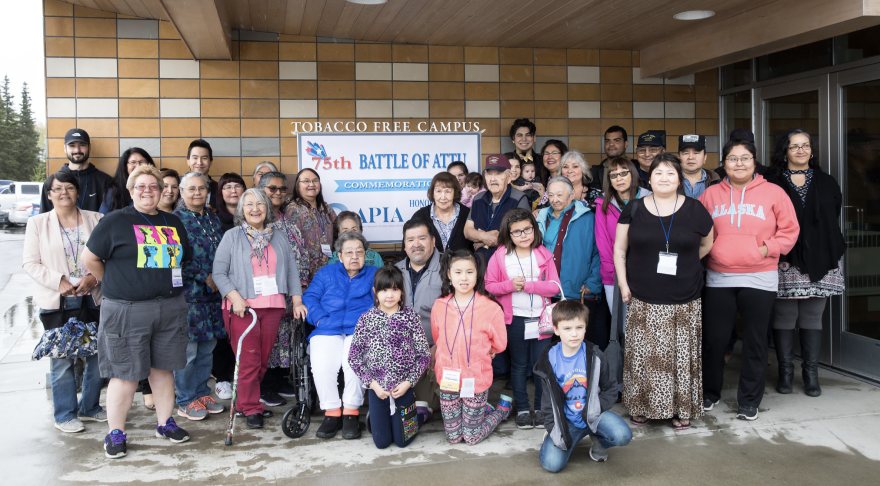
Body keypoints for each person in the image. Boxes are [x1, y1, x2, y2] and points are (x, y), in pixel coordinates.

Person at [81, 165, 193, 459]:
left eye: (153, 186)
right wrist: (112, 281)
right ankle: (115, 432)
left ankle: (165, 423)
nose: (147, 191)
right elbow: (90, 257)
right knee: (125, 373)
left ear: (162, 191)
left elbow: (183, 260)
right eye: (140, 186)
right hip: (127, 310)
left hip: (169, 307)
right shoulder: (115, 221)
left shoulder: (173, 222)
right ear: (130, 191)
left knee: (163, 369)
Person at [699, 140, 800, 421]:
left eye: (745, 158)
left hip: (759, 277)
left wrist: (766, 249)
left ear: (755, 162)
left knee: (755, 341)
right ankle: (710, 393)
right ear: (724, 163)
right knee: (715, 340)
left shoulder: (774, 193)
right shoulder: (710, 195)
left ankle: (749, 400)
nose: (739, 164)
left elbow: (790, 229)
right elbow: (696, 229)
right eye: (732, 159)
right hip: (719, 277)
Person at [613, 154, 714, 429]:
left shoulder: (695, 209)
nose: (664, 178)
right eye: (658, 173)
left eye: (670, 173)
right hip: (642, 296)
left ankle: (682, 408)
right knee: (645, 356)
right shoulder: (633, 208)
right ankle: (642, 406)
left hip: (684, 297)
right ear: (650, 178)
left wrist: (688, 266)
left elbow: (706, 245)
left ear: (679, 179)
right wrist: (623, 284)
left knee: (680, 356)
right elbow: (620, 250)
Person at [212, 188, 306, 430]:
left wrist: (296, 300)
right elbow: (219, 273)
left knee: (262, 360)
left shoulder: (280, 237)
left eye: (260, 204)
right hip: (243, 309)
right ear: (242, 209)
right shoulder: (232, 237)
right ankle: (252, 407)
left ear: (267, 208)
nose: (255, 208)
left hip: (273, 306)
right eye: (249, 204)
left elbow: (292, 272)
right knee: (248, 360)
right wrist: (235, 298)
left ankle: (245, 403)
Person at [23, 172, 105, 433]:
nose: (64, 192)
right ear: (49, 194)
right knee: (61, 359)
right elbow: (30, 263)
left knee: (97, 355)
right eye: (57, 189)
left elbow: (108, 256)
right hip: (58, 300)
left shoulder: (96, 219)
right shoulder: (37, 223)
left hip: (93, 297)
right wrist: (58, 281)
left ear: (77, 192)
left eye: (69, 188)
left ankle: (90, 407)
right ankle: (65, 414)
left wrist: (94, 277)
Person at [768, 129, 846, 398]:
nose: (801, 150)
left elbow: (832, 214)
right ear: (785, 151)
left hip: (822, 255)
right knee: (785, 316)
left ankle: (811, 374)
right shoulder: (772, 181)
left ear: (812, 150)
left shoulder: (827, 181)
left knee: (813, 316)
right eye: (794, 146)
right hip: (785, 258)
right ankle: (786, 373)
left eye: (805, 146)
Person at [534, 300, 632, 472]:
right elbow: (547, 402)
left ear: (586, 327)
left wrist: (595, 409)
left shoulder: (595, 355)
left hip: (593, 415)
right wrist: (554, 428)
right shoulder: (549, 359)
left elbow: (609, 388)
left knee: (623, 435)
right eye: (567, 328)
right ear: (556, 329)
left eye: (579, 327)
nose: (574, 334)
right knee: (552, 465)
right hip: (567, 421)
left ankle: (598, 439)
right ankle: (553, 437)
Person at [485, 208, 561, 429]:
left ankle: (540, 407)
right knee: (518, 366)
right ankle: (524, 409)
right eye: (516, 232)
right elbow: (490, 286)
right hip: (515, 319)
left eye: (527, 229)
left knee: (540, 366)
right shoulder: (500, 256)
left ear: (534, 229)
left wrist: (527, 285)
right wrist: (510, 285)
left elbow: (554, 287)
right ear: (508, 235)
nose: (523, 235)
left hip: (541, 319)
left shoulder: (543, 254)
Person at [431, 249, 511, 445]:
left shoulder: (491, 308)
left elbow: (500, 343)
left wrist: (489, 350)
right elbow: (438, 337)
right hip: (448, 381)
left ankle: (501, 411)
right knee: (454, 438)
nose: (464, 278)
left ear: (478, 274)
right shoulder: (439, 306)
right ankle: (480, 410)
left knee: (471, 437)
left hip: (476, 380)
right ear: (449, 275)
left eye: (469, 272)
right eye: (458, 272)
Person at [302, 231, 377, 440]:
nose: (354, 256)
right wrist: (318, 319)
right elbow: (310, 297)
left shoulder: (374, 273)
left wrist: (369, 322)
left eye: (359, 252)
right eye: (349, 252)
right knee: (322, 365)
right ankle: (332, 411)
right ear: (340, 256)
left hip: (359, 328)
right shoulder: (326, 273)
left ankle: (351, 411)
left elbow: (383, 300)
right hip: (328, 326)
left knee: (353, 363)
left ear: (366, 255)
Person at [348, 266, 431, 449]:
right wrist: (373, 384)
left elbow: (424, 355)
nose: (390, 295)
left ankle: (421, 412)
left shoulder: (411, 318)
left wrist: (409, 382)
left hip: (403, 387)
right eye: (384, 290)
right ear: (375, 292)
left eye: (395, 289)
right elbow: (354, 357)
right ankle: (384, 418)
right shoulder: (366, 319)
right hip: (378, 390)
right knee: (382, 442)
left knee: (403, 442)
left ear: (402, 292)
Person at [169, 172, 226, 421]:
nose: (197, 193)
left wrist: (219, 276)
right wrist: (205, 275)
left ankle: (202, 392)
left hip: (213, 297)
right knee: (188, 352)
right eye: (191, 189)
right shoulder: (173, 220)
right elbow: (173, 258)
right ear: (181, 192)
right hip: (188, 297)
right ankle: (185, 399)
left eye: (201, 188)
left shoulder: (213, 218)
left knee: (207, 350)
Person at [258, 172, 311, 407]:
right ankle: (265, 386)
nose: (278, 193)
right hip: (267, 295)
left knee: (286, 341)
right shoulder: (257, 223)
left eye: (282, 189)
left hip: (293, 296)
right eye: (272, 189)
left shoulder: (290, 225)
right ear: (261, 190)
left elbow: (301, 257)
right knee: (268, 342)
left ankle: (279, 381)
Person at [536, 177, 603, 346]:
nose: (555, 199)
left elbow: (599, 252)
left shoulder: (588, 218)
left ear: (572, 194)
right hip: (547, 292)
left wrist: (593, 283)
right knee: (549, 343)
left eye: (559, 194)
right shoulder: (541, 217)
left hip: (577, 290)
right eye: (551, 195)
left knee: (577, 341)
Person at [396, 218, 444, 419]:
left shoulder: (449, 267)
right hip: (404, 350)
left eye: (422, 238)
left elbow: (460, 314)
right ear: (405, 246)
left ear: (433, 241)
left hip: (437, 348)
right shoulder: (395, 272)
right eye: (411, 240)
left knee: (433, 403)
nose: (416, 244)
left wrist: (440, 345)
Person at [595, 157, 651, 311]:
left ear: (633, 174)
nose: (618, 178)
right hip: (613, 275)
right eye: (613, 175)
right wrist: (615, 274)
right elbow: (602, 241)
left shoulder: (650, 198)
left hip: (646, 273)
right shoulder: (603, 203)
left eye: (623, 173)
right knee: (620, 326)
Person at [464, 154, 531, 262]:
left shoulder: (519, 199)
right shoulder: (478, 199)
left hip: (509, 265)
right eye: (489, 174)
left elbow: (525, 234)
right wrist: (483, 236)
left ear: (509, 177)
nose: (493, 179)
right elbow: (467, 231)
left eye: (499, 173)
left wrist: (494, 240)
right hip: (480, 265)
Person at [40, 129, 113, 213]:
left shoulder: (106, 181)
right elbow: (44, 216)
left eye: (82, 145)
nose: (77, 150)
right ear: (65, 148)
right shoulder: (52, 182)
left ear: (89, 147)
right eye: (72, 145)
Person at [286, 168, 337, 283]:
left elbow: (338, 237)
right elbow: (290, 247)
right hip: (305, 276)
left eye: (315, 181)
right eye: (306, 181)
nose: (311, 184)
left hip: (330, 271)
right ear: (297, 186)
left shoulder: (327, 209)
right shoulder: (292, 210)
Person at [412, 172, 471, 254]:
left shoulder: (467, 214)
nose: (443, 197)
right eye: (439, 191)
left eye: (447, 191)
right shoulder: (420, 216)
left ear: (455, 193)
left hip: (461, 266)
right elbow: (409, 247)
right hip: (429, 267)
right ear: (433, 193)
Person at [99, 148, 156, 214]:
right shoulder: (114, 190)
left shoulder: (156, 188)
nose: (138, 166)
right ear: (125, 167)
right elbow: (101, 217)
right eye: (133, 162)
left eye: (141, 162)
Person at [590, 126, 630, 190]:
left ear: (626, 144)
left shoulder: (636, 167)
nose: (611, 144)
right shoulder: (593, 172)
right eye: (607, 141)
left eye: (616, 140)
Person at [505, 118, 545, 183]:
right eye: (519, 135)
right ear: (513, 138)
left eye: (528, 135)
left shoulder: (542, 161)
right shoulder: (505, 160)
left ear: (534, 138)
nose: (524, 139)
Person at [186, 139, 219, 208]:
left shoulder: (219, 189)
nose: (199, 162)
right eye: (195, 158)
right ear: (188, 161)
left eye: (204, 158)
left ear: (210, 162)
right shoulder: (178, 187)